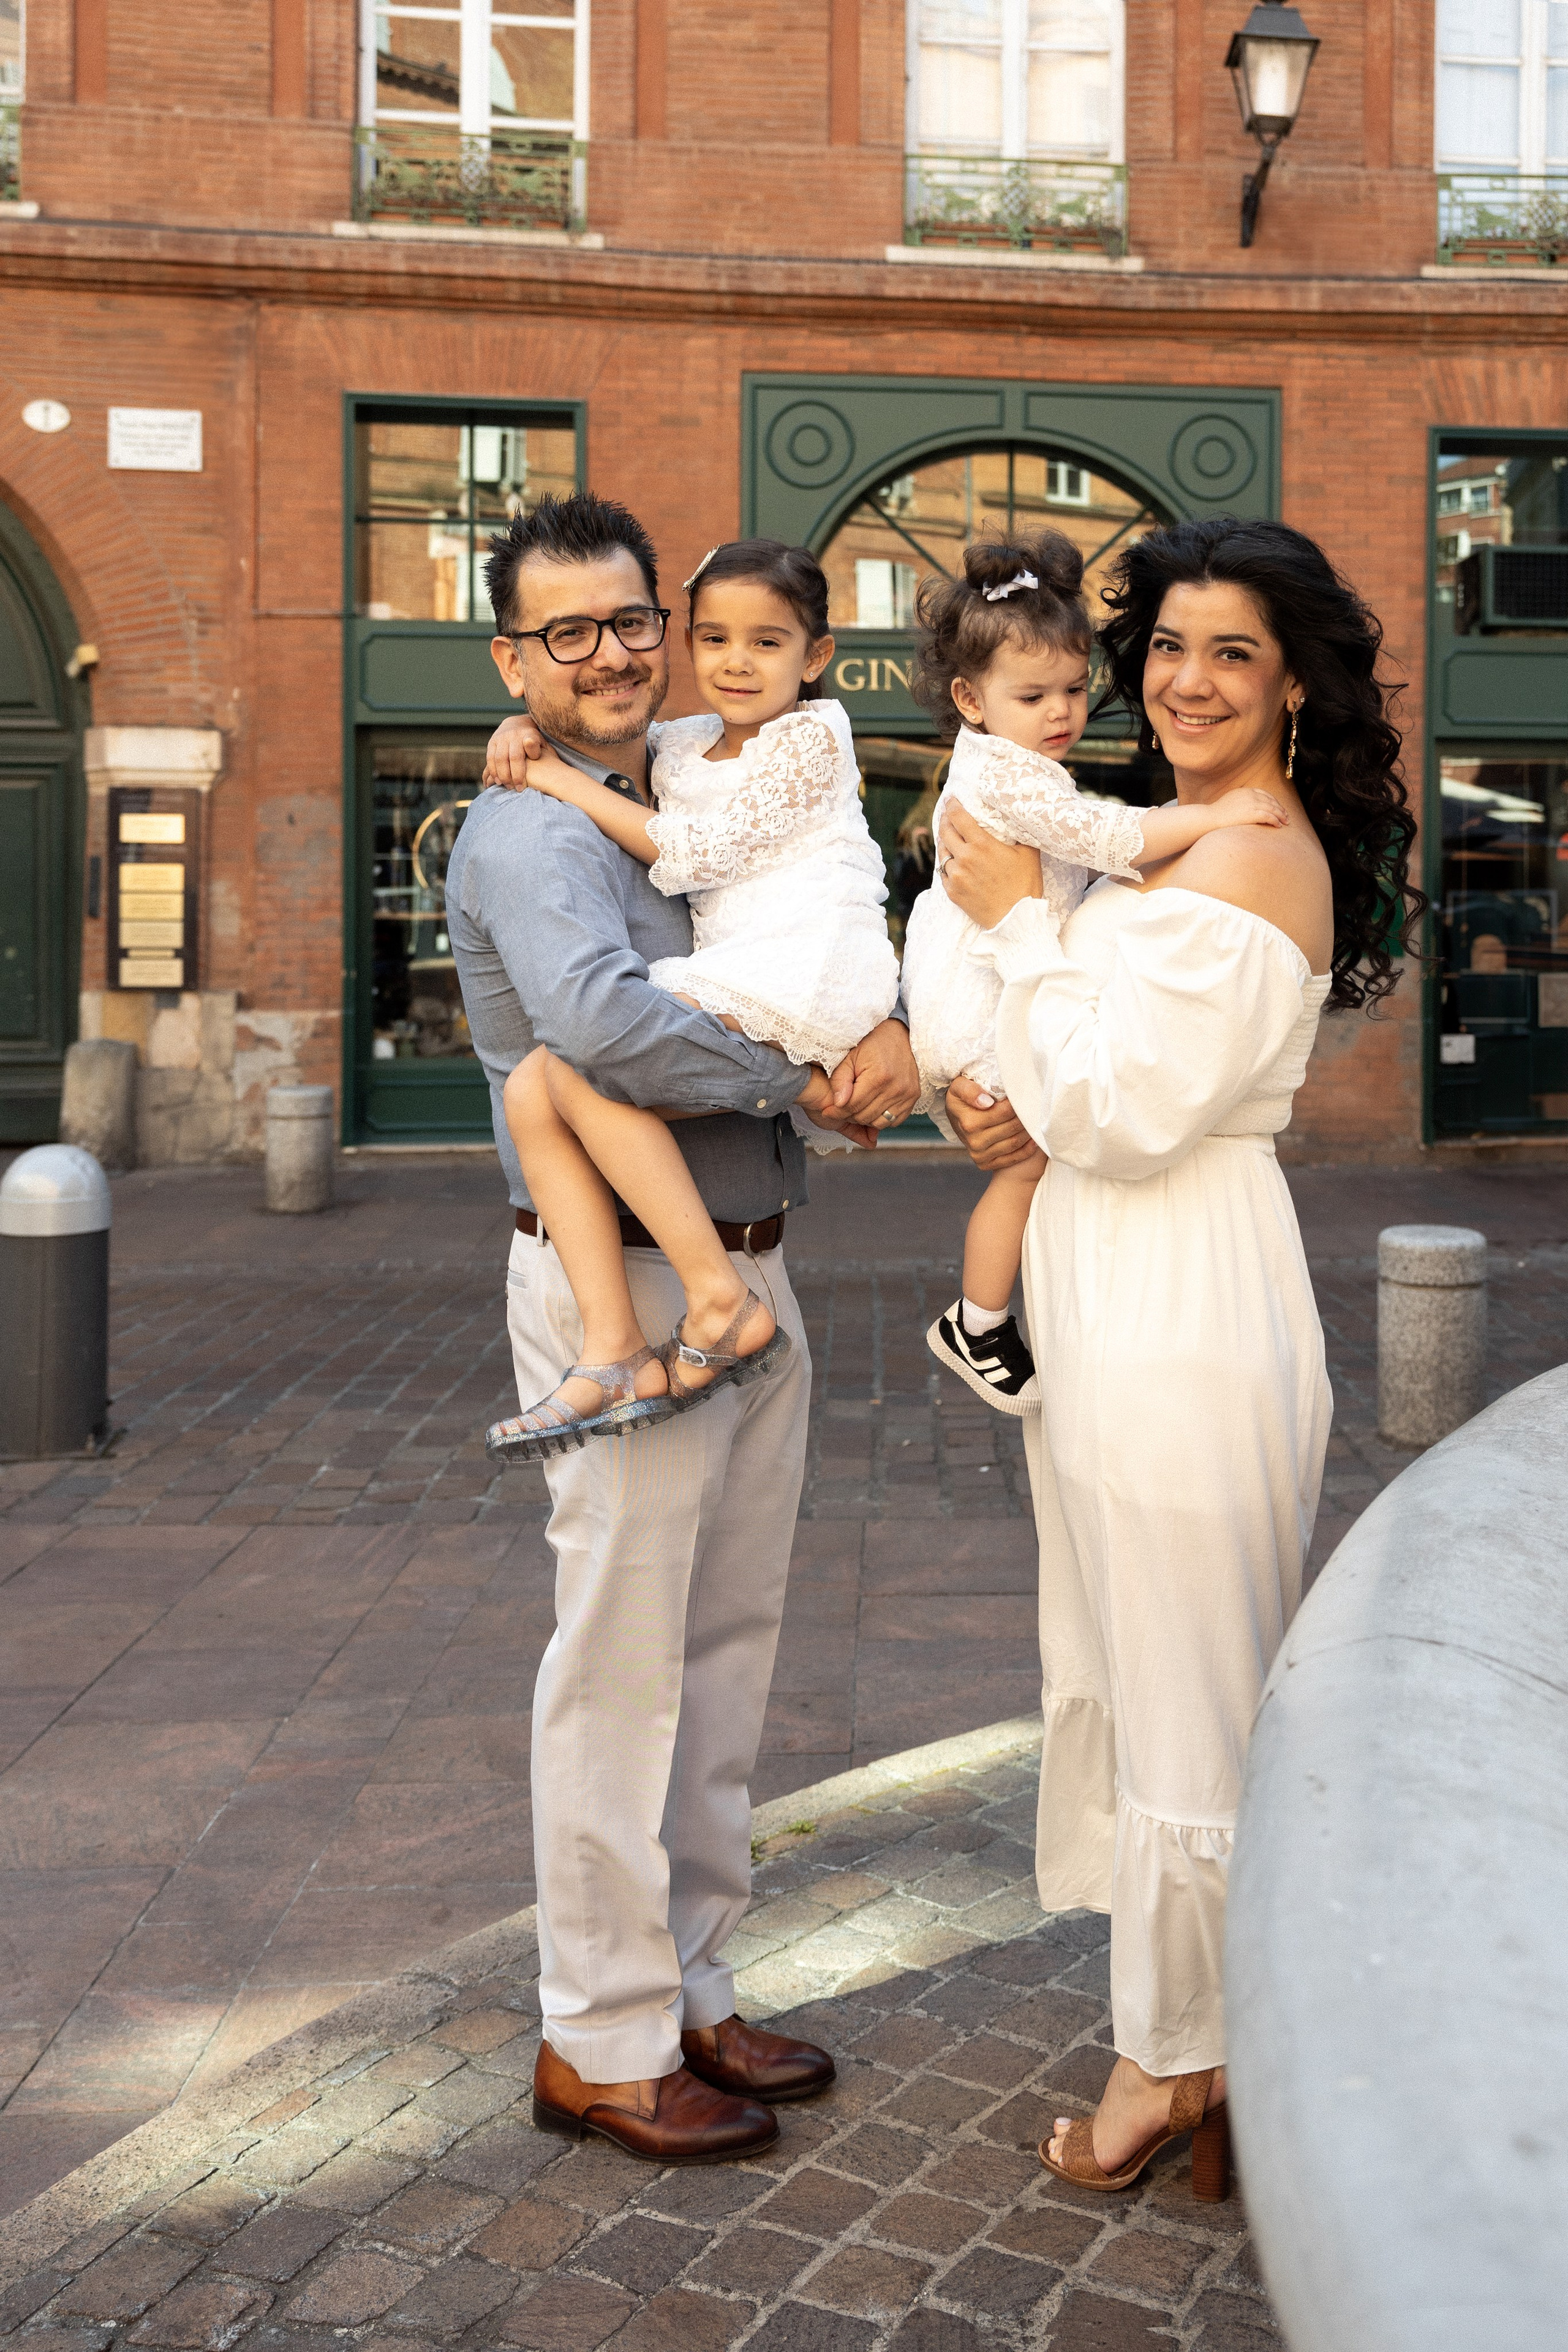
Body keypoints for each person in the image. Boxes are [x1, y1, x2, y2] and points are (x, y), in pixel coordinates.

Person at [939, 515, 1422, 2201]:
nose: (1189, 681)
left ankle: (1181, 2061)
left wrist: (1013, 931)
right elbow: (1077, 1073)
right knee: (1151, 1666)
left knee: (1196, 1688)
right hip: (1118, 1282)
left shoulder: (1256, 852)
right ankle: (1190, 2034)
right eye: (1167, 649)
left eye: (1233, 651)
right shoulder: (1174, 838)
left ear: (1296, 686)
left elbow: (1129, 1110)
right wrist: (991, 1087)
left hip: (1183, 1293)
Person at [445, 490, 921, 2165]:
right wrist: (810, 1080)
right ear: (516, 657)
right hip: (628, 1292)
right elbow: (601, 1030)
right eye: (566, 630)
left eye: (632, 617)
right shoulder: (530, 830)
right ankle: (603, 2035)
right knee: (624, 1669)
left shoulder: (703, 783)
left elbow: (804, 935)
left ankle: (695, 1985)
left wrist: (892, 1035)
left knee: (725, 1656)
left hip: (747, 1272)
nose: (614, 652)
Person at [487, 538, 899, 1462]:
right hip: (769, 985)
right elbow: (604, 1021)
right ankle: (626, 1337)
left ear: (817, 656)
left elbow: (695, 853)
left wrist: (550, 766)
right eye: (715, 639)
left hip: (800, 963)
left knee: (568, 1076)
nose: (738, 663)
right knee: (543, 1085)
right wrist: (522, 735)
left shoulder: (811, 736)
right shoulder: (676, 749)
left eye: (767, 642)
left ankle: (709, 1302)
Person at [902, 528, 1286, 1414]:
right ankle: (978, 1319)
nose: (1062, 712)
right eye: (1033, 695)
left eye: (1075, 689)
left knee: (1022, 1166)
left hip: (989, 983)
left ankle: (983, 1315)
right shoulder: (1009, 776)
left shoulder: (1015, 765)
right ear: (970, 697)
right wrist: (1214, 817)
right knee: (1024, 1166)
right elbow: (1108, 838)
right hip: (979, 992)